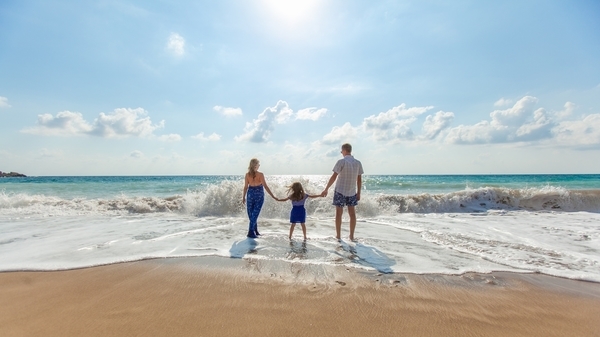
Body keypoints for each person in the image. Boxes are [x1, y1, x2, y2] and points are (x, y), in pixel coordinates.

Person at [321, 143, 364, 241]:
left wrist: (326, 188)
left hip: (340, 191)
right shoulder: (358, 163)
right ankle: (351, 236)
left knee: (338, 214)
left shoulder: (341, 162)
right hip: (352, 192)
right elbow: (359, 180)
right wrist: (359, 192)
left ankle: (338, 236)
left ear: (344, 150)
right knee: (352, 214)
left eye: (341, 151)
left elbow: (334, 177)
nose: (341, 153)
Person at [242, 158, 277, 238]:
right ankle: (251, 232)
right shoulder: (260, 174)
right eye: (258, 164)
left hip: (250, 194)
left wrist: (244, 197)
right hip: (258, 194)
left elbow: (245, 187)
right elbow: (265, 186)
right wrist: (273, 196)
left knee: (252, 214)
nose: (259, 165)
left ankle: (255, 230)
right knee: (253, 214)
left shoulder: (247, 175)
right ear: (255, 165)